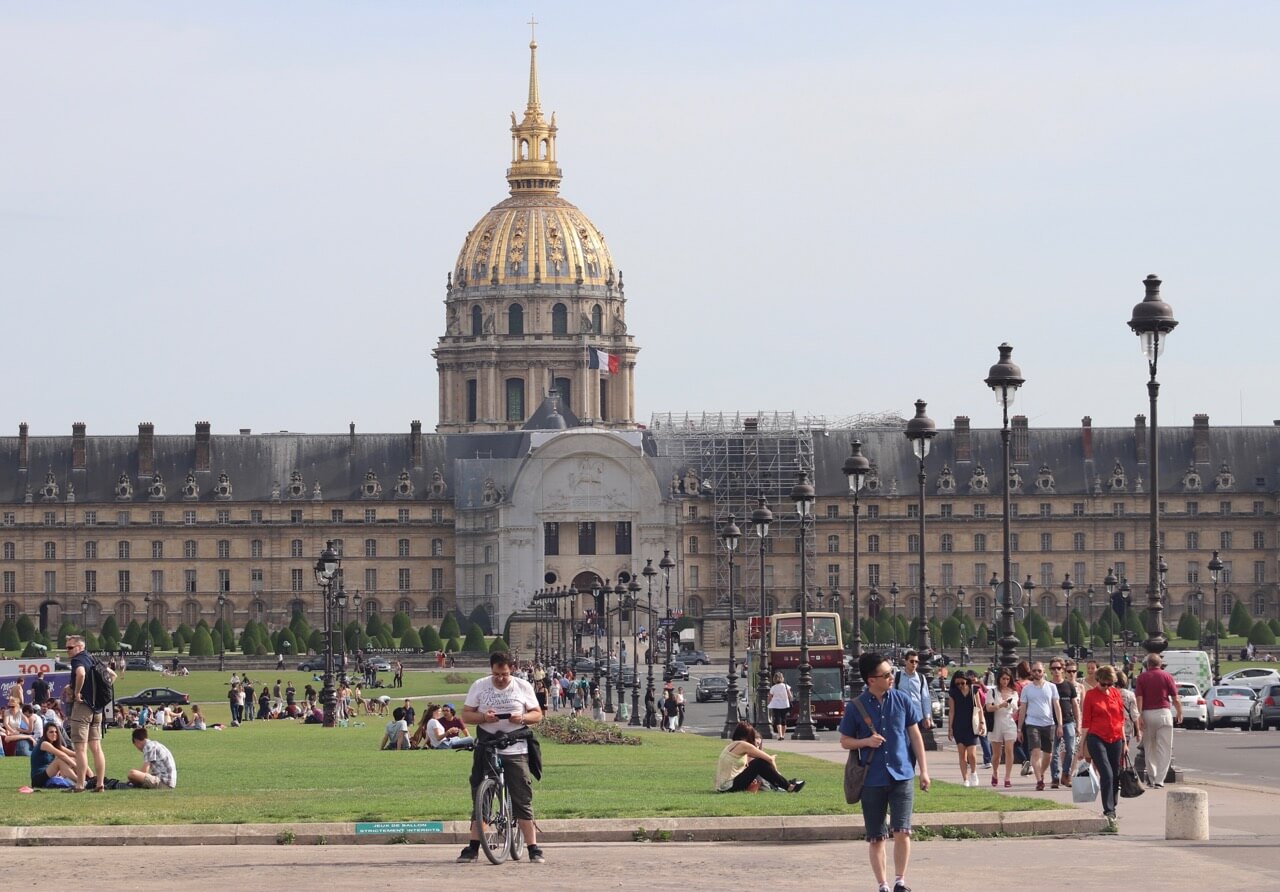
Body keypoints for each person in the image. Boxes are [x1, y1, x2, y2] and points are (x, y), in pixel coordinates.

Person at [841, 651, 930, 892]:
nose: (892, 677)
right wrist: (865, 742)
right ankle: (883, 885)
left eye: (891, 673)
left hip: (902, 774)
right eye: (887, 674)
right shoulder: (856, 707)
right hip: (872, 778)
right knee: (877, 836)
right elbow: (845, 741)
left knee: (903, 831)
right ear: (871, 679)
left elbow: (915, 735)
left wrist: (924, 770)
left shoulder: (902, 700)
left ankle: (900, 880)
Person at [458, 651, 545, 865]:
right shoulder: (480, 686)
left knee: (522, 797)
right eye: (496, 674)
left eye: (504, 674)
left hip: (516, 748)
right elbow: (466, 715)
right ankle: (473, 847)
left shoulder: (522, 687)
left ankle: (533, 847)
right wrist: (483, 717)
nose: (500, 678)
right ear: (491, 670)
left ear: (511, 670)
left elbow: (538, 714)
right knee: (481, 794)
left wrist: (522, 718)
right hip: (488, 746)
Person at [1081, 664, 1127, 827]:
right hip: (1096, 737)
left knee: (1115, 773)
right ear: (1098, 680)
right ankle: (1108, 810)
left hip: (1115, 738)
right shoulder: (1091, 695)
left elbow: (1121, 718)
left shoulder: (1115, 693)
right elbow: (1085, 722)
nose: (1106, 687)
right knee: (1106, 773)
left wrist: (1124, 741)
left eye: (1110, 684)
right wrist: (1082, 747)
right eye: (1103, 684)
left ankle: (1113, 805)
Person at [67, 634, 113, 793]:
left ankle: (80, 784)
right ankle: (100, 783)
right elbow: (112, 675)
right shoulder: (93, 659)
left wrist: (78, 692)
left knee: (80, 749)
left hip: (83, 708)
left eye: (70, 648)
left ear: (79, 647)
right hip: (98, 710)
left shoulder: (78, 660)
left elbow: (81, 674)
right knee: (97, 748)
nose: (68, 651)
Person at [1133, 653, 1182, 788]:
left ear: (1148, 665)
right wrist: (1179, 712)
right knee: (1164, 748)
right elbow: (1175, 698)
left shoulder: (1142, 678)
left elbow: (1139, 698)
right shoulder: (1167, 676)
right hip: (1164, 713)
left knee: (1149, 747)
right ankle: (1160, 780)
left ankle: (1152, 777)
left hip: (1147, 713)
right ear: (1160, 664)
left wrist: (1140, 715)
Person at [714, 721, 804, 793]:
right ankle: (788, 786)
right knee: (759, 762)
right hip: (728, 786)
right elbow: (768, 759)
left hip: (724, 786)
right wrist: (776, 771)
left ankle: (783, 784)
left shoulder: (732, 745)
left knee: (758, 763)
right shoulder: (743, 745)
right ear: (749, 735)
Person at [1016, 661, 1062, 791]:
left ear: (1044, 672)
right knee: (1035, 752)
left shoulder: (1051, 687)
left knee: (1048, 755)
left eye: (1039, 671)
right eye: (1034, 671)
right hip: (1032, 723)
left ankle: (1040, 772)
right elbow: (1023, 709)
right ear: (1031, 672)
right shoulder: (1027, 689)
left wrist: (1060, 724)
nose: (1037, 673)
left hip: (1049, 723)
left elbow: (1056, 706)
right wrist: (1019, 729)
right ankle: (1039, 780)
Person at [893, 651, 934, 760]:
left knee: (914, 745)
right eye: (911, 661)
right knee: (904, 742)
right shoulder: (898, 676)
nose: (914, 664)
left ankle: (911, 766)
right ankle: (905, 764)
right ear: (906, 661)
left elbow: (925, 697)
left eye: (916, 661)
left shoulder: (921, 678)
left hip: (917, 716)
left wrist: (927, 716)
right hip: (902, 715)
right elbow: (892, 695)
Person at [946, 674, 984, 786]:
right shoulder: (953, 693)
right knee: (962, 754)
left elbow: (979, 707)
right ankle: (965, 779)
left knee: (972, 754)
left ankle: (974, 773)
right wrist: (950, 728)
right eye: (957, 684)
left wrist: (982, 722)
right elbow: (951, 711)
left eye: (962, 683)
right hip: (958, 725)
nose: (960, 686)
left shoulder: (974, 690)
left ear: (967, 681)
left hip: (971, 725)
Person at [1048, 659, 1081, 790]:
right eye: (1053, 668)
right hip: (1052, 723)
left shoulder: (1069, 686)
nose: (1056, 671)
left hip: (1068, 721)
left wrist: (1078, 724)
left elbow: (1075, 705)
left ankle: (1065, 774)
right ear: (1050, 670)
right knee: (1054, 752)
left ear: (1063, 670)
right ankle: (1055, 777)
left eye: (1059, 668)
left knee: (1071, 749)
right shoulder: (1048, 686)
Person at [986, 668, 1019, 787]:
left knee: (1009, 750)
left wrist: (1014, 706)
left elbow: (1015, 708)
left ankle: (1007, 777)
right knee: (996, 754)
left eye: (1007, 679)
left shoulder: (1014, 692)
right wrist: (1000, 705)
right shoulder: (993, 692)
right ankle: (995, 772)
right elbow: (989, 707)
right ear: (999, 679)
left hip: (1009, 722)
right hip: (996, 723)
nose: (1005, 681)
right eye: (1003, 679)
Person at [31, 723, 78, 788]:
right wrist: (75, 766)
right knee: (59, 761)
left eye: (56, 732)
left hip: (50, 774)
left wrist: (81, 756)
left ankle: (90, 778)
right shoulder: (44, 744)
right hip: (38, 779)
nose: (54, 734)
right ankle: (80, 781)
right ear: (45, 733)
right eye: (51, 732)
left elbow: (73, 754)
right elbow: (61, 755)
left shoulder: (55, 745)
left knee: (74, 758)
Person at [767, 671, 792, 740]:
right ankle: (783, 735)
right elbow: (790, 696)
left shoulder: (773, 687)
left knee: (778, 720)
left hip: (776, 705)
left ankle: (780, 735)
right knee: (784, 720)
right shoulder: (786, 686)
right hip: (784, 704)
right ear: (782, 678)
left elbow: (769, 697)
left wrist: (769, 703)